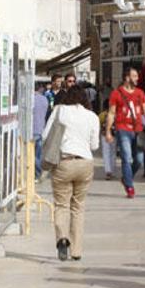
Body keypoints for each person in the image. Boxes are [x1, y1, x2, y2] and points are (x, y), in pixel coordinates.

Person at [42, 85, 100, 261]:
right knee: (78, 206)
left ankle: (62, 239)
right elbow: (94, 145)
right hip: (85, 163)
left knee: (61, 205)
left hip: (64, 162)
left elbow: (45, 135)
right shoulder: (92, 117)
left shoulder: (59, 111)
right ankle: (76, 250)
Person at [105, 68, 145, 198]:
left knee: (139, 160)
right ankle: (129, 186)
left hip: (138, 130)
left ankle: (126, 178)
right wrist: (108, 131)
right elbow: (111, 113)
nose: (137, 79)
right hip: (122, 129)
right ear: (127, 77)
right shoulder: (116, 94)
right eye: (134, 76)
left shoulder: (140, 93)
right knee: (126, 158)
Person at [33, 83, 50, 180]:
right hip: (40, 129)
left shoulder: (28, 98)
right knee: (38, 154)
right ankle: (38, 173)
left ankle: (36, 173)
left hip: (31, 129)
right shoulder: (44, 99)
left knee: (31, 154)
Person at [99, 107, 117, 180]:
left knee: (106, 152)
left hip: (104, 135)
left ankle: (108, 171)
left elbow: (99, 124)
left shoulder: (102, 115)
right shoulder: (115, 115)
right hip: (114, 135)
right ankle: (111, 170)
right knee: (113, 153)